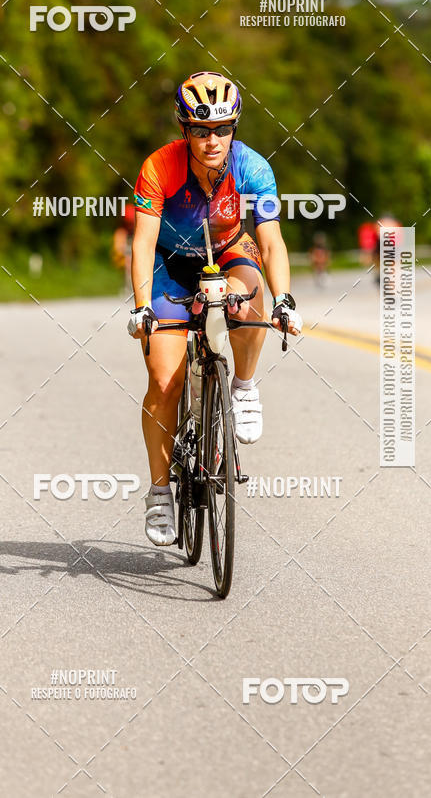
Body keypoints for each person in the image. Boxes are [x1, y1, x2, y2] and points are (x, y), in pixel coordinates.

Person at [127, 71, 302, 546]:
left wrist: (284, 299)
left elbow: (271, 241)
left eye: (222, 129)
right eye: (201, 130)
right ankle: (159, 494)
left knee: (250, 300)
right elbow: (142, 242)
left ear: (234, 128)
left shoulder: (253, 167)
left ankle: (242, 387)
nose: (212, 140)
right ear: (184, 129)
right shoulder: (159, 167)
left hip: (226, 250)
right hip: (169, 262)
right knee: (165, 381)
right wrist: (143, 306)